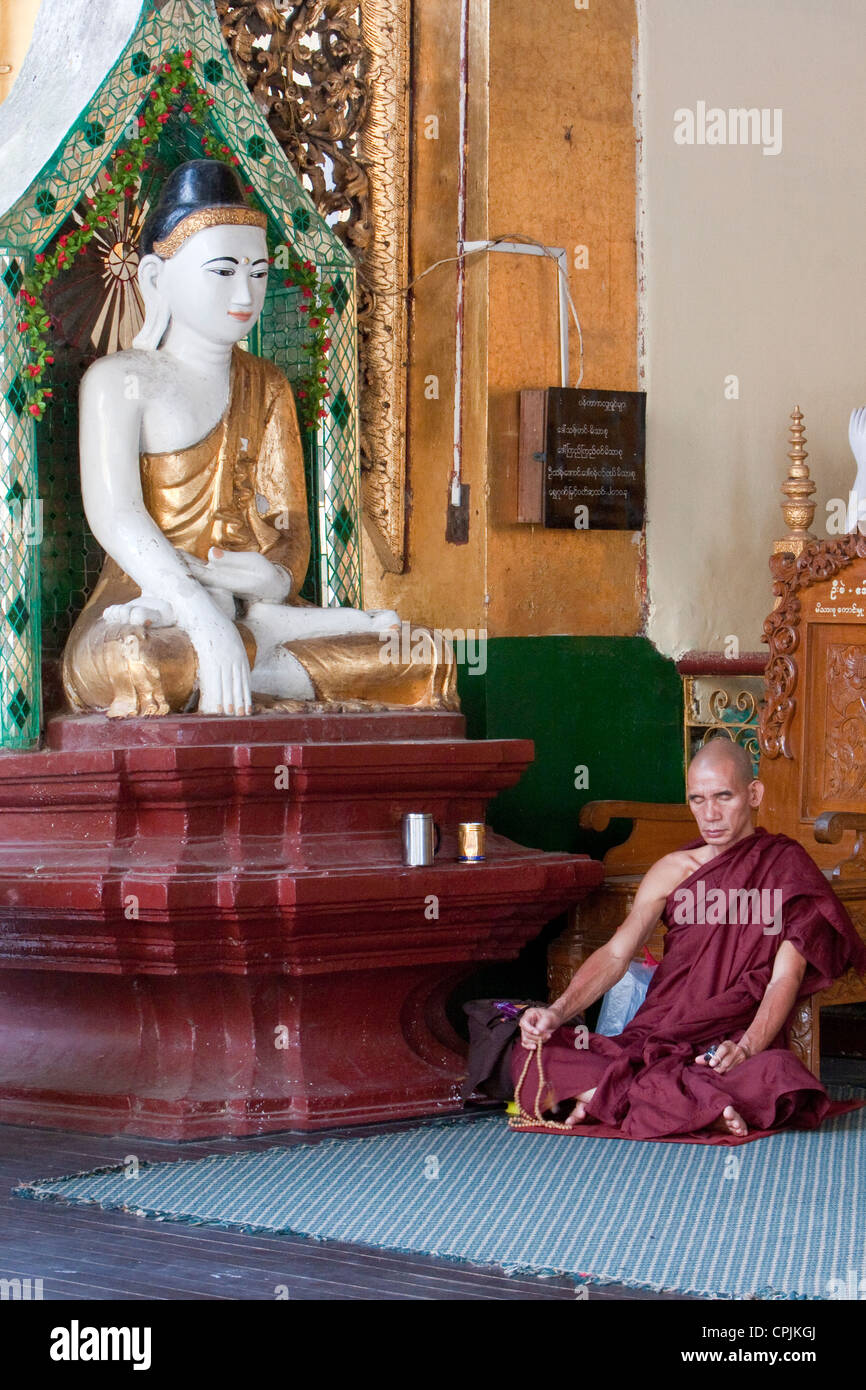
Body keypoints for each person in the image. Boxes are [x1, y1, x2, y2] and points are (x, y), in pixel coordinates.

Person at [62, 159, 456, 717]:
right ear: (156, 278)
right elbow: (118, 517)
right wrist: (199, 614)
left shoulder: (266, 384)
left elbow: (291, 524)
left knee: (424, 656)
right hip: (146, 607)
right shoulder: (118, 382)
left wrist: (273, 579)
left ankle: (248, 667)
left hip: (254, 604)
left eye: (259, 272)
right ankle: (260, 671)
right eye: (223, 271)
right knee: (142, 665)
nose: (245, 292)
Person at [512, 737, 866, 1141]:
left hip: (728, 1042)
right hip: (656, 1036)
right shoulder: (672, 870)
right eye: (697, 799)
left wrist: (747, 1048)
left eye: (723, 797)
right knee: (532, 1050)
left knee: (778, 1076)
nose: (710, 814)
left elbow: (784, 978)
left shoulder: (785, 868)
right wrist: (557, 1012)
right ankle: (692, 1107)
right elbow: (616, 954)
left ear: (754, 793)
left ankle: (614, 1097)